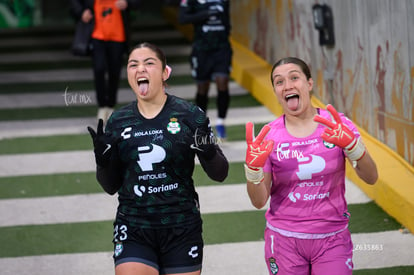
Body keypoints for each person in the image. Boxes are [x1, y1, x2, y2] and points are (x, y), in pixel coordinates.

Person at [87, 42, 229, 275]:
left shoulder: (190, 115)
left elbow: (220, 173)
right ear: (129, 75)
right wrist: (102, 162)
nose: (140, 69)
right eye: (133, 65)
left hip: (182, 227)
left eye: (149, 63)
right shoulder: (118, 121)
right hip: (134, 226)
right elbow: (110, 186)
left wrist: (208, 150)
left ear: (165, 73)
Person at [244, 57, 378, 275]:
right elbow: (259, 201)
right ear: (276, 91)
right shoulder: (269, 137)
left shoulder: (337, 126)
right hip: (284, 240)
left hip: (332, 239)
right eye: (279, 82)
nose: (287, 85)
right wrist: (253, 171)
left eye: (294, 78)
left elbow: (371, 177)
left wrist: (354, 148)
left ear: (309, 83)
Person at [70, 0, 141, 123]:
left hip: (118, 35)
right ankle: (102, 106)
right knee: (99, 69)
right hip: (97, 34)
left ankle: (111, 106)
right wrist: (81, 11)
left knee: (114, 71)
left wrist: (127, 3)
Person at [178, 0, 232, 139]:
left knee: (223, 81)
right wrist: (205, 14)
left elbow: (226, 20)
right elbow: (183, 18)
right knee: (203, 87)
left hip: (222, 48)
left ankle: (221, 123)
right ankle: (202, 125)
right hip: (202, 49)